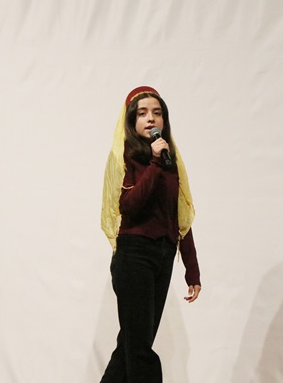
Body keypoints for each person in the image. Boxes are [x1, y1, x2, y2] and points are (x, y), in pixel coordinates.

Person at [99, 86, 202, 383]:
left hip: (163, 255)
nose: (151, 118)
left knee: (131, 346)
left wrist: (192, 270)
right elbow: (129, 206)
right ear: (132, 120)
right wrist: (155, 163)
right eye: (143, 113)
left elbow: (179, 215)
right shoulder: (126, 158)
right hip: (134, 254)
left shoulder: (170, 162)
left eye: (157, 113)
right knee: (139, 348)